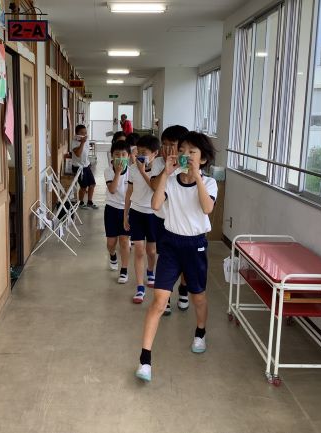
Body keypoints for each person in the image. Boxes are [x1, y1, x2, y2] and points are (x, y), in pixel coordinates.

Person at [136, 132, 217, 382]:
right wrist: (166, 175)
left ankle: (200, 332)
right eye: (182, 151)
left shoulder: (210, 183)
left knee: (198, 297)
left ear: (203, 159)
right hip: (171, 244)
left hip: (195, 245)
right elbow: (156, 205)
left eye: (192, 152)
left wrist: (197, 177)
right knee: (159, 301)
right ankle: (145, 360)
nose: (185, 155)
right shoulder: (170, 181)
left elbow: (207, 208)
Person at [151, 125, 190, 316]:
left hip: (183, 221)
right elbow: (153, 185)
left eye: (172, 145)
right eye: (164, 144)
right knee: (164, 259)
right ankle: (165, 296)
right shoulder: (159, 162)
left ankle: (183, 288)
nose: (167, 149)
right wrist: (167, 170)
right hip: (162, 220)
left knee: (185, 261)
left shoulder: (187, 163)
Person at [124, 135, 160, 304]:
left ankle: (150, 271)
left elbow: (155, 189)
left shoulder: (159, 170)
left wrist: (143, 171)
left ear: (155, 154)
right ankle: (139, 287)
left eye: (144, 153)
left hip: (153, 214)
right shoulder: (132, 169)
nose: (140, 156)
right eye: (138, 152)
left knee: (151, 251)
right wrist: (125, 215)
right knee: (139, 249)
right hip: (136, 212)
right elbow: (129, 193)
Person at [104, 140, 131, 283]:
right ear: (112, 156)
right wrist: (118, 173)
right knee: (111, 243)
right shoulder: (108, 171)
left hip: (127, 210)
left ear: (128, 156)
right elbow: (112, 189)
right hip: (111, 209)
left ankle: (124, 270)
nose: (120, 157)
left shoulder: (132, 172)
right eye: (117, 154)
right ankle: (112, 254)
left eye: (123, 154)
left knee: (124, 241)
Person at [71, 125, 98, 209]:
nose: (84, 134)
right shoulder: (74, 142)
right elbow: (78, 154)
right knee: (83, 186)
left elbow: (85, 154)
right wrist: (82, 143)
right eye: (82, 133)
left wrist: (88, 163)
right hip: (78, 168)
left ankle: (90, 202)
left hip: (86, 166)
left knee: (92, 184)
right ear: (77, 133)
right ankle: (81, 203)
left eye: (85, 133)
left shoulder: (86, 140)